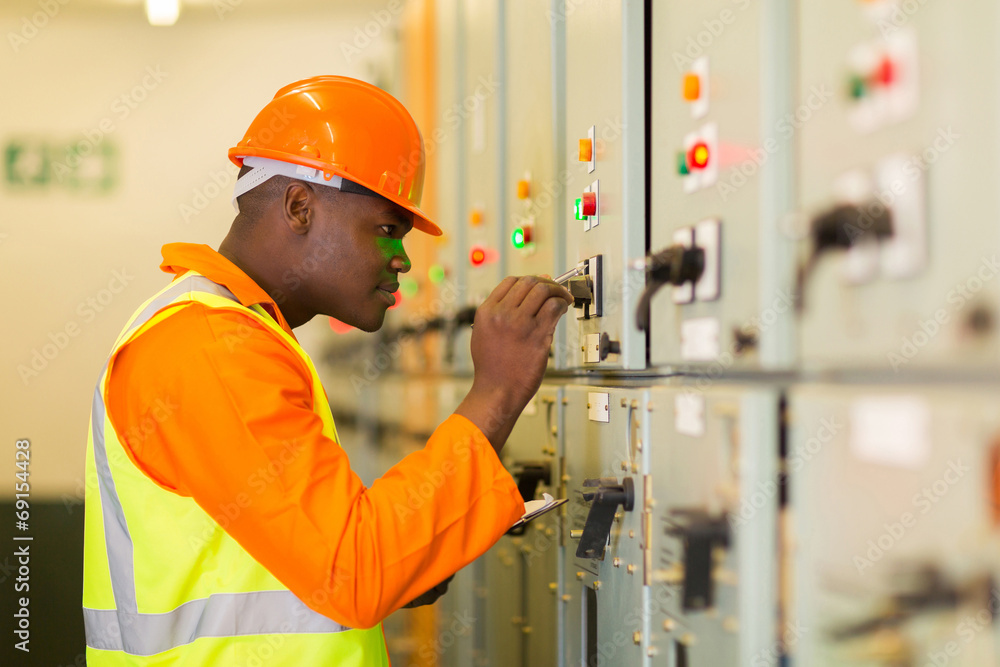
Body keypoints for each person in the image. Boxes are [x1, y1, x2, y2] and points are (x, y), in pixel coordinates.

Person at [82, 76, 573, 665]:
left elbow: (303, 555)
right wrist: (496, 392)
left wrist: (402, 562)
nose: (403, 259)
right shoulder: (212, 348)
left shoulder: (234, 335)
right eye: (387, 230)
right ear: (300, 206)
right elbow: (354, 571)